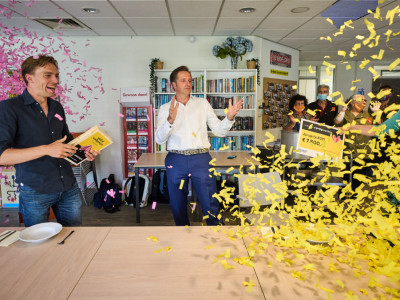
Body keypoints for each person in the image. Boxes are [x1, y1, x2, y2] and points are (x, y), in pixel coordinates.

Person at [0, 55, 99, 227]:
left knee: (74, 238)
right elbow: (2, 156)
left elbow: (66, 143)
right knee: (40, 246)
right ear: (29, 78)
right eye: (48, 75)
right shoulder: (9, 108)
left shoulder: (57, 106)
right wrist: (46, 149)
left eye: (56, 75)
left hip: (69, 187)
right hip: (35, 191)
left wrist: (84, 152)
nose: (55, 80)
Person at [155, 66, 243, 226]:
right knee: (177, 204)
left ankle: (216, 233)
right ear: (173, 85)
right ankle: (183, 234)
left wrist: (229, 117)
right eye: (183, 80)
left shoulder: (202, 104)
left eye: (189, 80)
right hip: (176, 159)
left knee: (210, 201)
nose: (187, 83)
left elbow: (219, 131)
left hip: (201, 158)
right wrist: (170, 120)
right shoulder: (164, 109)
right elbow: (159, 139)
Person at [334, 94, 373, 191]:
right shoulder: (345, 114)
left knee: (360, 180)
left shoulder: (367, 115)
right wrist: (343, 111)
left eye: (365, 100)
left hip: (364, 153)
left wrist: (378, 113)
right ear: (352, 102)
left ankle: (356, 201)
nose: (364, 102)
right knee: (346, 179)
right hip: (348, 152)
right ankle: (345, 200)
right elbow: (337, 122)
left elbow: (378, 128)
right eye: (361, 100)